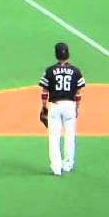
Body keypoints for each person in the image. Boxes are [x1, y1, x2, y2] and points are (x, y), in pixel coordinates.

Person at [39, 42, 85, 176]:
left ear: (56, 54)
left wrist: (44, 107)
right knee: (70, 136)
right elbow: (78, 93)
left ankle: (56, 168)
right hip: (70, 105)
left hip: (55, 105)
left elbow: (44, 91)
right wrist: (77, 108)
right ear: (68, 54)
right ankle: (68, 164)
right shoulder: (76, 71)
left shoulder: (49, 71)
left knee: (54, 137)